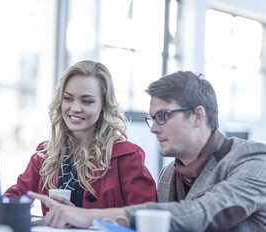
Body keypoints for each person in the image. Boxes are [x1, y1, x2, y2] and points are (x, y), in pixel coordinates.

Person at [28, 71, 266, 231]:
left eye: (162, 117)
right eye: (152, 118)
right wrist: (87, 223)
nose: (153, 129)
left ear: (198, 115)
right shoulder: (169, 175)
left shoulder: (252, 159)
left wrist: (89, 216)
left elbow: (201, 213)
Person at [5, 60, 157, 215]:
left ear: (103, 104)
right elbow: (15, 197)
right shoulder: (46, 154)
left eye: (87, 101)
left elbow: (146, 217)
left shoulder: (126, 156)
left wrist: (83, 220)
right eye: (68, 98)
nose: (75, 108)